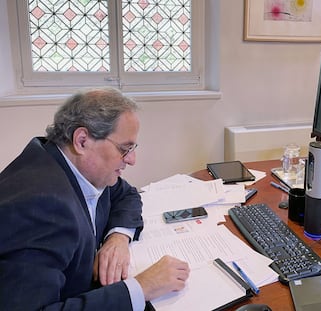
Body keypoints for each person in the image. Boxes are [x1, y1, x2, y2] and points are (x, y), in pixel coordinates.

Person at [0, 87, 190, 310]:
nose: (132, 160)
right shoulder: (41, 206)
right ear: (82, 141)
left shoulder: (68, 164)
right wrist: (141, 288)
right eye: (125, 148)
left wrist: (117, 238)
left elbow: (127, 195)